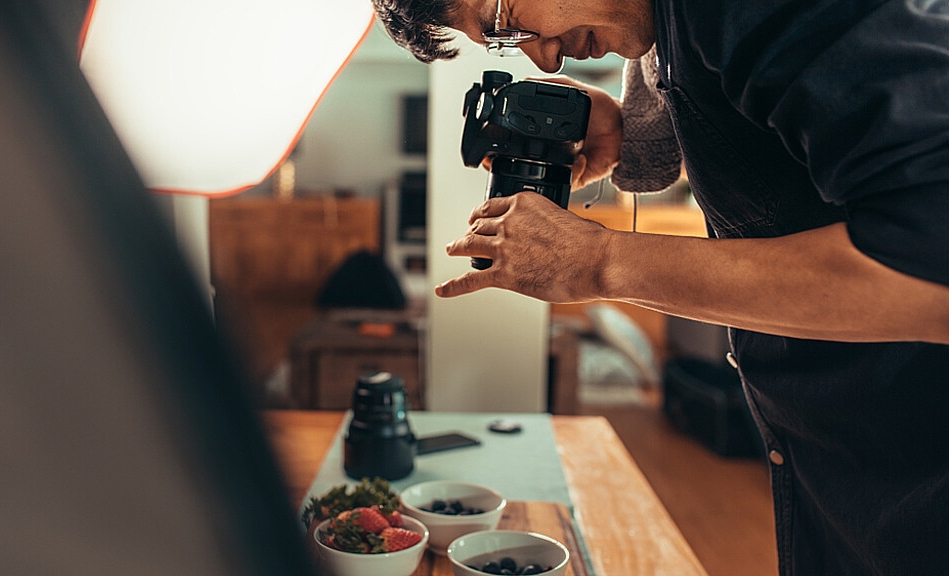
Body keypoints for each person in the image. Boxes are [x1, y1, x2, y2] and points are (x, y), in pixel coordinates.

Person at [370, 0, 949, 574]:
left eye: (503, 20)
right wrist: (630, 128)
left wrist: (601, 263)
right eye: (502, 42)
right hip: (845, 461)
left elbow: (928, 269)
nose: (541, 58)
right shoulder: (676, 27)